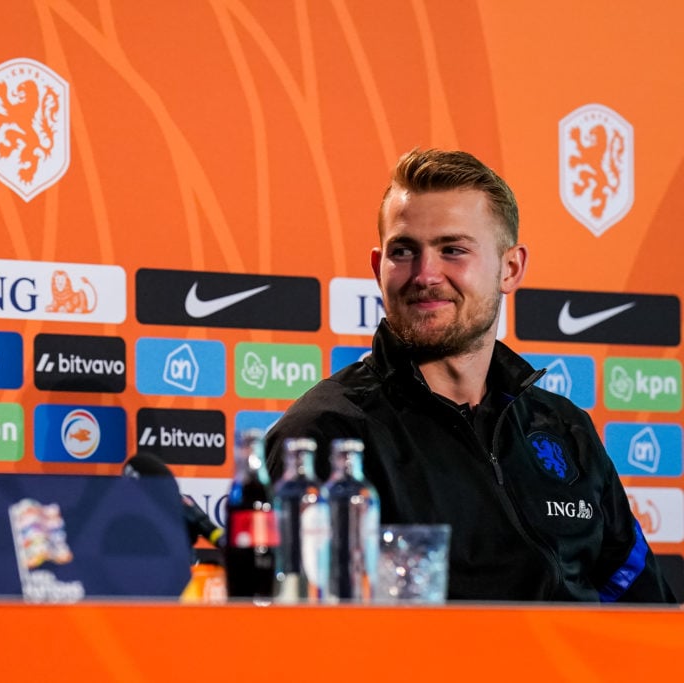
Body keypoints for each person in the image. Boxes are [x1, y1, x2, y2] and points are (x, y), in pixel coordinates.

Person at [265, 148, 676, 603]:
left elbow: (641, 605)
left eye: (452, 250)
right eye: (404, 251)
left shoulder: (562, 426)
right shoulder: (327, 433)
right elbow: (299, 637)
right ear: (377, 269)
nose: (425, 274)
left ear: (510, 268)